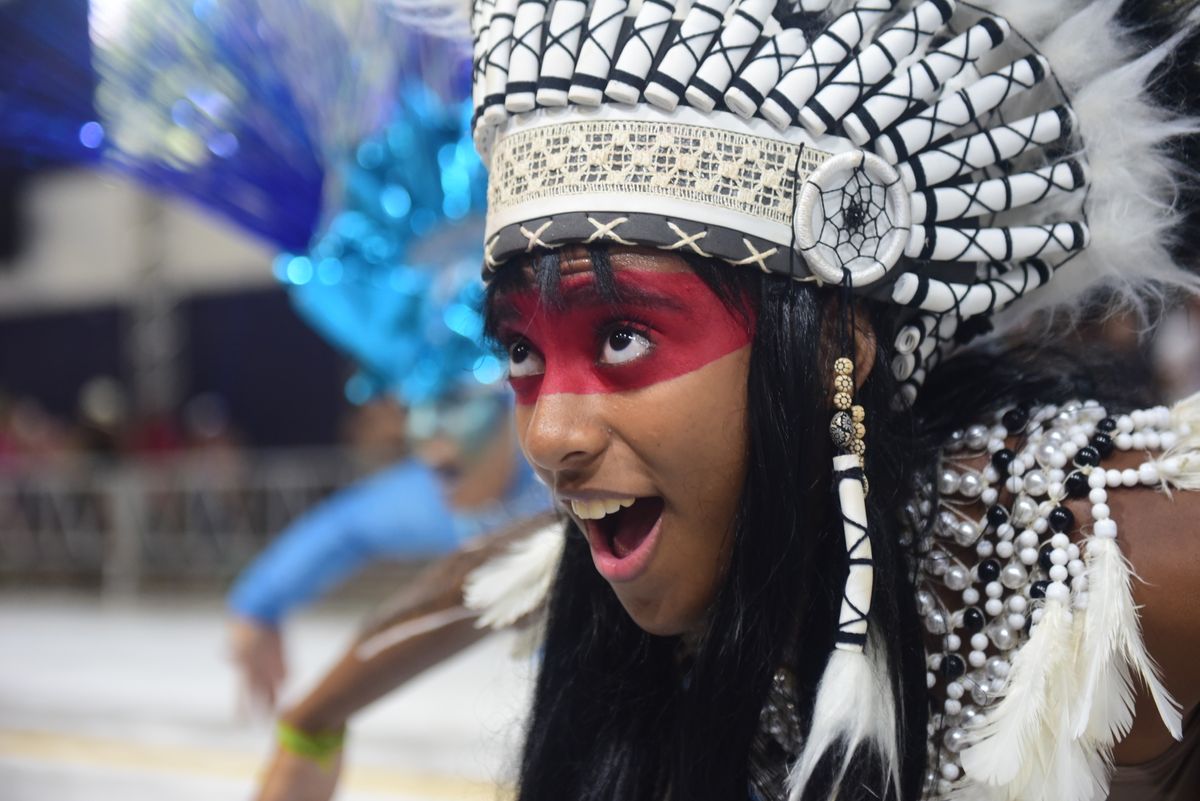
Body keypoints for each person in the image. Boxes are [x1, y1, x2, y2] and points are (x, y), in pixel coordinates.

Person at [433, 0, 1200, 800]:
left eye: (623, 338)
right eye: (521, 350)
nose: (549, 435)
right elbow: (465, 581)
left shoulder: (1104, 566)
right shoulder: (659, 536)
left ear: (838, 343)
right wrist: (315, 720)